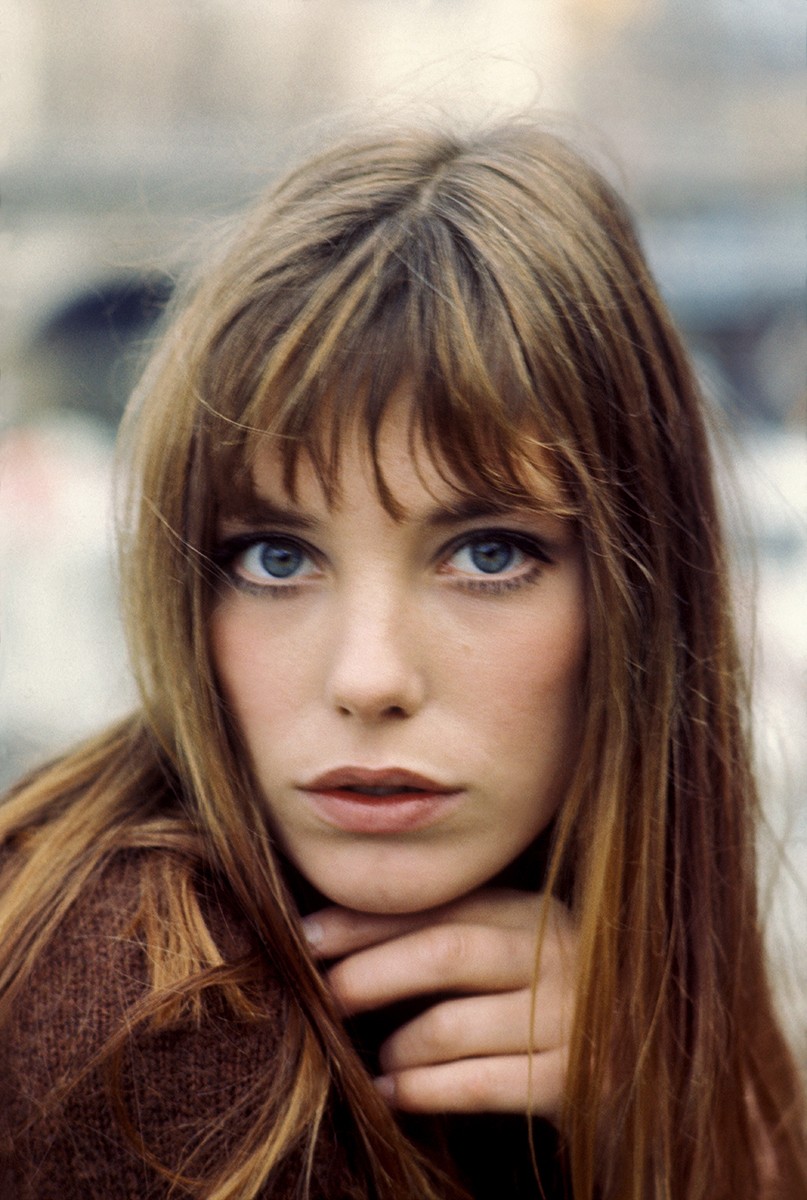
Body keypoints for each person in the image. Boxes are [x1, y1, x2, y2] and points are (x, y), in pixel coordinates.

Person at [0, 120, 804, 1200]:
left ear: (642, 597)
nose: (369, 679)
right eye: (276, 557)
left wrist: (688, 1122)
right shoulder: (149, 1010)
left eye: (487, 555)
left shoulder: (614, 999)